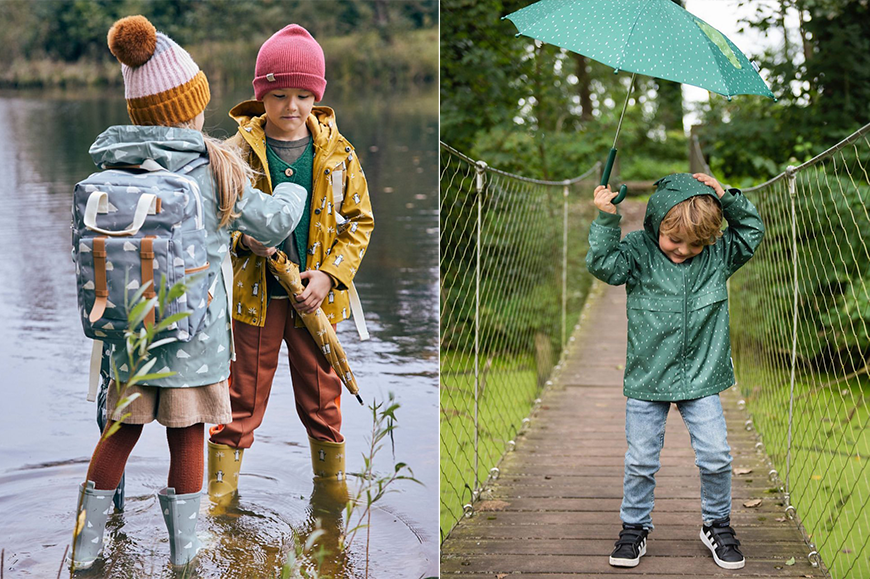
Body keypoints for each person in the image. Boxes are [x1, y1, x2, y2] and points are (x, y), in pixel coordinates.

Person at [70, 15, 307, 570]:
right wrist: (294, 191)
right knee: (188, 439)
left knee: (118, 434)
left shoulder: (114, 165)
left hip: (128, 338)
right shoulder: (212, 167)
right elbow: (269, 224)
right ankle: (185, 556)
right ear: (189, 107)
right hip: (191, 344)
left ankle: (84, 552)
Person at [206, 24, 374, 504]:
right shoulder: (233, 154)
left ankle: (331, 501)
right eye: (279, 94)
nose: (292, 106)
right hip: (253, 301)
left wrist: (329, 275)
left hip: (314, 300)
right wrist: (244, 242)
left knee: (323, 401)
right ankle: (221, 501)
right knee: (239, 400)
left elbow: (360, 221)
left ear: (317, 96)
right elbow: (215, 221)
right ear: (262, 95)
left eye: (303, 95)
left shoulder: (338, 153)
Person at [586, 173, 764, 570]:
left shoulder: (719, 255)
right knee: (641, 461)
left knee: (717, 456)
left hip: (702, 378)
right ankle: (635, 527)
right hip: (648, 379)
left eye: (696, 244)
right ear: (656, 223)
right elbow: (603, 266)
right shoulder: (638, 250)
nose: (684, 250)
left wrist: (725, 197)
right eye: (675, 240)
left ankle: (716, 523)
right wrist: (605, 220)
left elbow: (751, 229)